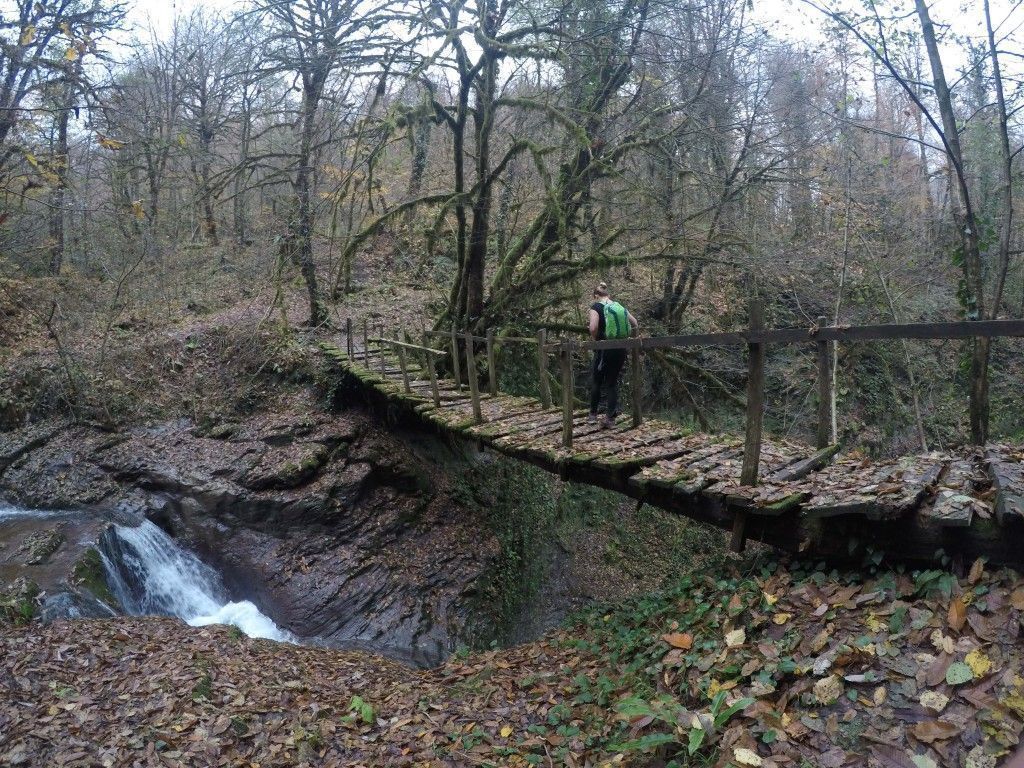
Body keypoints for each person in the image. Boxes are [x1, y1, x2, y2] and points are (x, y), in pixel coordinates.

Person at [588, 282, 639, 429]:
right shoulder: (619, 307)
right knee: (612, 382)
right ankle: (610, 419)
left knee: (597, 381)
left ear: (596, 296)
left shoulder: (596, 307)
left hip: (604, 349)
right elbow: (635, 323)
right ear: (608, 295)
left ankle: (592, 415)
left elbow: (593, 327)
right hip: (620, 349)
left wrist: (595, 339)